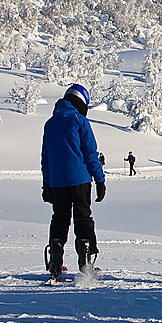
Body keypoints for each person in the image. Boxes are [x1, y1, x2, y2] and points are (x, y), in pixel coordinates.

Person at [41, 84, 106, 279]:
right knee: (83, 218)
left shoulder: (50, 124)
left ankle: (55, 264)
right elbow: (90, 154)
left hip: (58, 183)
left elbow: (46, 158)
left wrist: (47, 184)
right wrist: (100, 180)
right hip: (80, 180)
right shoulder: (80, 121)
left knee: (59, 220)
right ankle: (85, 264)